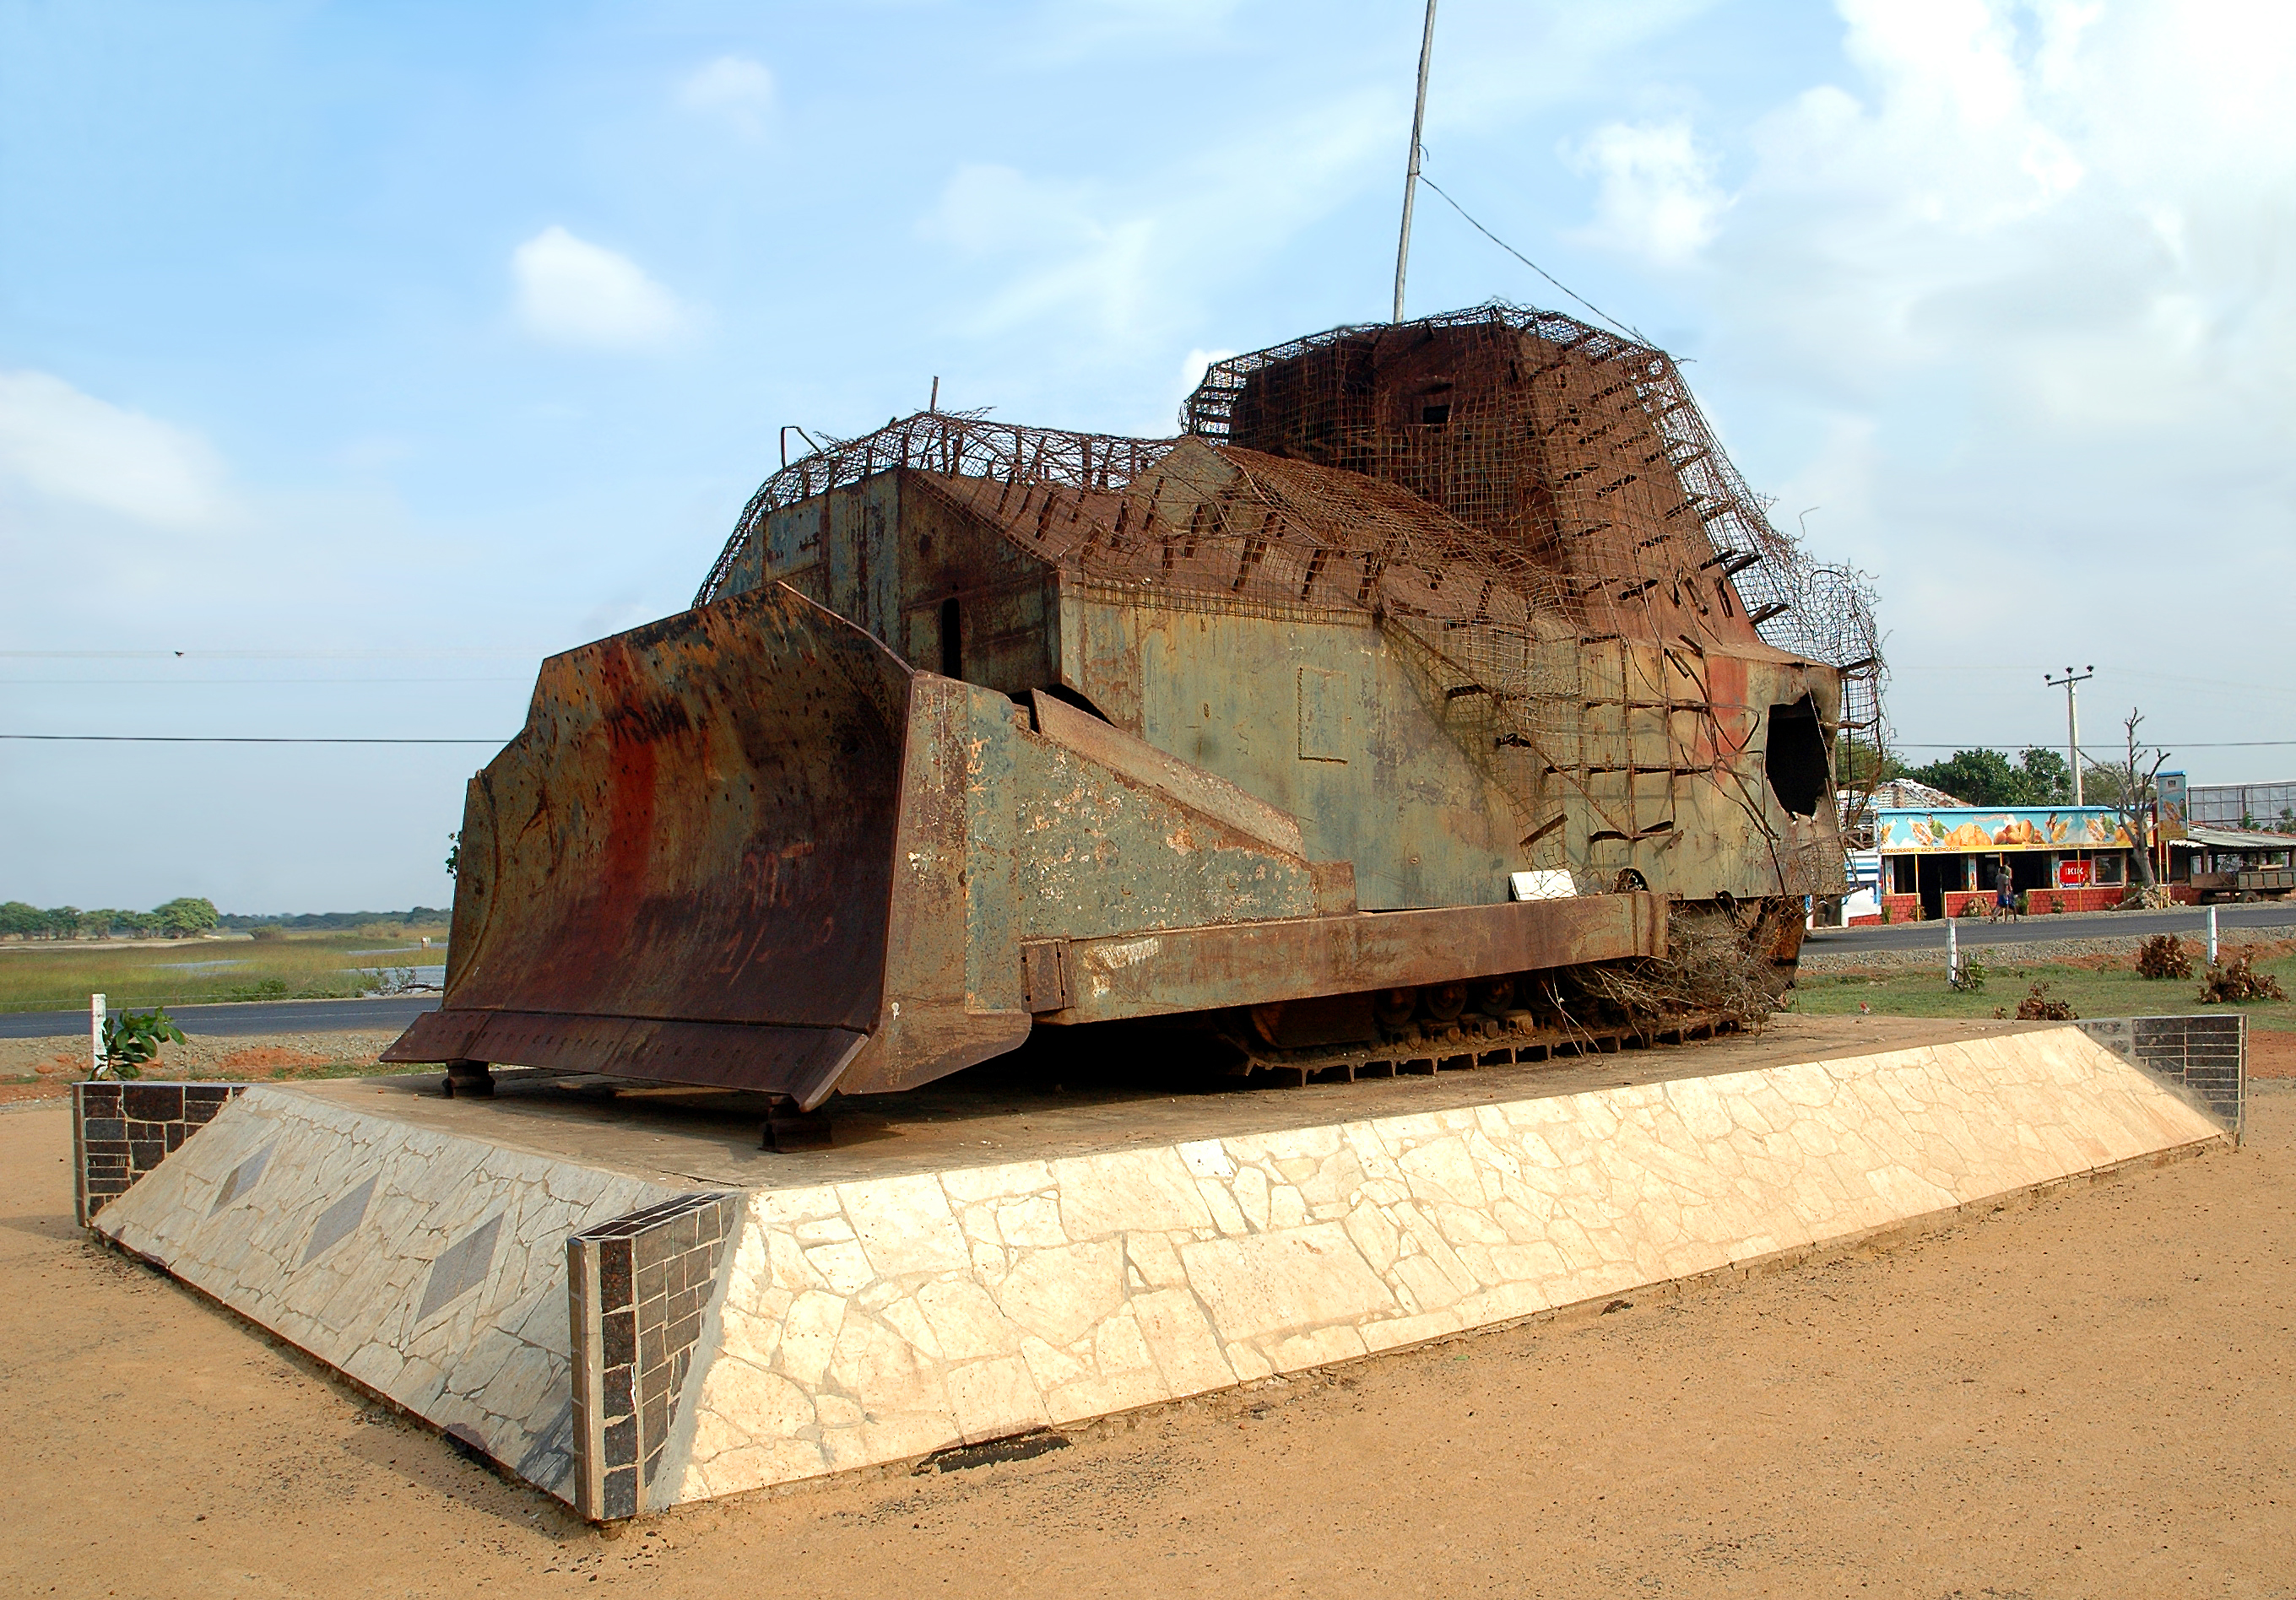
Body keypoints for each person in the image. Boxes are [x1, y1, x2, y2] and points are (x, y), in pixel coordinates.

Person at [1994, 858, 2017, 922]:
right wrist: (2008, 890)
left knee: (2000, 905)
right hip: (2006, 891)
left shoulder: (1999, 873)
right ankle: (2013, 919)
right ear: (2008, 862)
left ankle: (1994, 917)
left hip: (2000, 891)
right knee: (2011, 904)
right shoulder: (2009, 870)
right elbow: (2009, 881)